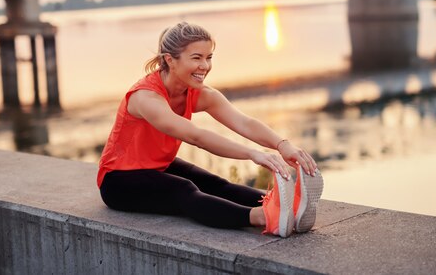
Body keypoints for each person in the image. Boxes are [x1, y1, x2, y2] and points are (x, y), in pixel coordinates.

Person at [97, 22, 323, 237]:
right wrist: (253, 154)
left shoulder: (197, 92)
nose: (205, 66)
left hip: (157, 166)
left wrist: (283, 145)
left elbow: (244, 122)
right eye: (196, 58)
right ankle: (263, 217)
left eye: (208, 57)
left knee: (216, 184)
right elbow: (196, 136)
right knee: (183, 190)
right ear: (170, 60)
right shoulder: (146, 97)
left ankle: (285, 207)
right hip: (118, 180)